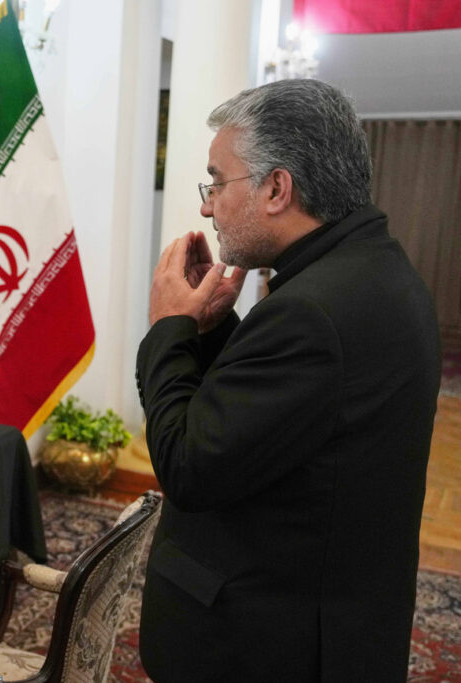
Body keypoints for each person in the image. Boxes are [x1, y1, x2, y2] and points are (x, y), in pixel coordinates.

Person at [135, 79, 440, 682]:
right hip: (333, 613)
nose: (207, 207)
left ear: (276, 188)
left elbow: (190, 466)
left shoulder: (311, 310)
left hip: (268, 642)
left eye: (218, 182)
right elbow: (277, 412)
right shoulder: (374, 269)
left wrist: (170, 329)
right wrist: (213, 331)